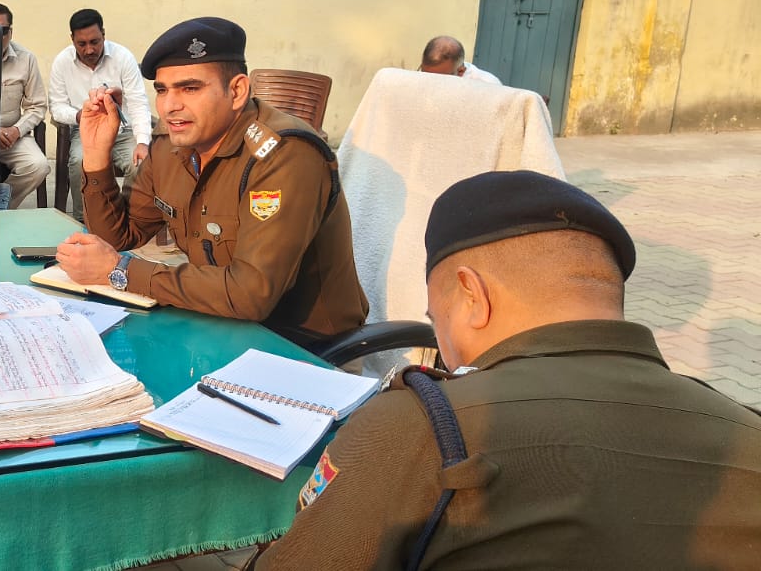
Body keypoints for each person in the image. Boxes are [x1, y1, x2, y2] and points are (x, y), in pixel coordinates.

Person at [257, 171, 761, 570]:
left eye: (437, 318)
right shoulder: (746, 430)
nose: (442, 344)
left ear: (472, 295)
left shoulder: (418, 426)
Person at [55, 17, 368, 344]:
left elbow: (251, 294)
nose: (170, 106)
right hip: (217, 326)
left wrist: (121, 271)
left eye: (190, 88)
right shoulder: (171, 145)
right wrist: (96, 154)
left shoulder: (284, 154)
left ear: (237, 92)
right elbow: (117, 236)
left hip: (305, 347)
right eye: (162, 90)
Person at [48, 8, 152, 221]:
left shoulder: (123, 57)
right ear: (72, 39)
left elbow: (138, 102)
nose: (89, 50)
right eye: (81, 44)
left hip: (123, 131)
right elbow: (57, 107)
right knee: (79, 162)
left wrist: (143, 142)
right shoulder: (62, 62)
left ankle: (126, 219)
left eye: (94, 42)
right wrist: (81, 116)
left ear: (103, 35)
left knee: (141, 163)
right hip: (86, 132)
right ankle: (84, 220)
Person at [0, 2, 50, 209]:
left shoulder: (26, 59)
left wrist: (17, 130)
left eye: (3, 31)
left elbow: (37, 105)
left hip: (11, 137)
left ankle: (0, 204)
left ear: (11, 32)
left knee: (38, 166)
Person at [419, 35, 501, 84]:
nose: (430, 82)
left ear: (461, 71)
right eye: (424, 74)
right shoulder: (420, 76)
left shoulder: (489, 85)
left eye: (439, 79)